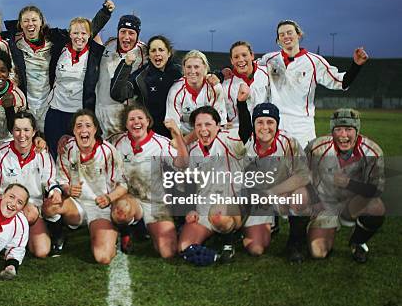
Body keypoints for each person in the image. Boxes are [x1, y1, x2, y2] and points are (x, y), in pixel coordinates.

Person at [4, 0, 114, 131]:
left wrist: (105, 12)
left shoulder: (55, 41)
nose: (30, 24)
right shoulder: (13, 45)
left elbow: (82, 34)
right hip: (26, 104)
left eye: (34, 20)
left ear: (41, 22)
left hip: (49, 104)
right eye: (26, 21)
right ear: (20, 24)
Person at [257, 20, 368, 147]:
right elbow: (249, 70)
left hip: (302, 127)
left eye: (289, 32)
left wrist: (356, 66)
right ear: (278, 40)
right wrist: (230, 74)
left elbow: (341, 82)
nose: (286, 36)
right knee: (275, 165)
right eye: (281, 34)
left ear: (299, 35)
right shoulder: (269, 59)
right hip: (273, 124)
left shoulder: (314, 62)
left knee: (303, 165)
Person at [42, 110, 127, 262]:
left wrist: (109, 198)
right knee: (49, 207)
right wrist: (68, 189)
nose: (83, 130)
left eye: (88, 125)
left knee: (103, 257)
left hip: (100, 208)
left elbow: (123, 185)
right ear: (74, 130)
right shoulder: (67, 148)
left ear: (95, 129)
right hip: (77, 206)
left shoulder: (108, 151)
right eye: (79, 126)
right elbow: (61, 180)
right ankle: (58, 235)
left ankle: (111, 231)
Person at [108, 104, 188, 258]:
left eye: (140, 118)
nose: (136, 122)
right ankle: (126, 231)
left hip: (155, 202)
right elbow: (95, 147)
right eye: (131, 119)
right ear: (125, 124)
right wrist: (66, 140)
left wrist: (177, 135)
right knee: (121, 212)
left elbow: (183, 164)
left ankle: (145, 228)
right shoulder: (116, 142)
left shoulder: (161, 143)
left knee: (168, 252)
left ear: (148, 121)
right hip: (130, 199)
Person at [306, 109, 385, 263]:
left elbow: (376, 189)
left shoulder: (372, 152)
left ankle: (358, 241)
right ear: (332, 131)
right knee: (318, 252)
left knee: (376, 207)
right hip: (325, 205)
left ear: (357, 131)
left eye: (349, 129)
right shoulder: (317, 147)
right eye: (338, 129)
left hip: (352, 204)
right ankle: (318, 228)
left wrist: (349, 183)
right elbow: (301, 174)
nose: (343, 135)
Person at [0, 111, 57, 258]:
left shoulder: (42, 154)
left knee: (42, 251)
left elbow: (50, 181)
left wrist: (54, 193)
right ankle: (6, 238)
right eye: (17, 130)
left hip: (31, 212)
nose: (21, 135)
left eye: (26, 130)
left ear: (34, 132)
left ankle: (34, 234)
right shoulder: (0, 154)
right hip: (3, 208)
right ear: (12, 131)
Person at [239, 101, 312, 261]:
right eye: (260, 122)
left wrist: (271, 192)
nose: (265, 127)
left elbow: (303, 175)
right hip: (258, 200)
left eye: (270, 122)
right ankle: (263, 225)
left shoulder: (288, 142)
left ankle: (296, 242)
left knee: (302, 195)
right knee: (255, 248)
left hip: (281, 194)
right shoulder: (245, 144)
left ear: (277, 124)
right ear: (253, 124)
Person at [177, 106, 245, 262]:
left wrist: (242, 104)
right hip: (204, 207)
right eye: (198, 125)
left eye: (208, 124)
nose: (203, 129)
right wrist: (190, 208)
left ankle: (228, 240)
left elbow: (245, 133)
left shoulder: (229, 140)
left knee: (218, 216)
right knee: (184, 247)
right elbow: (190, 182)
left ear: (218, 125)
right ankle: (216, 254)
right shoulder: (192, 150)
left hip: (231, 206)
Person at [43, 17, 106, 157]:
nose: (79, 37)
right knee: (55, 156)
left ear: (90, 35)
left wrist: (105, 12)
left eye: (83, 33)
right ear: (69, 34)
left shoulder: (94, 54)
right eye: (76, 33)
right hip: (56, 112)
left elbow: (97, 25)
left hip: (79, 115)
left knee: (79, 158)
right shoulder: (60, 49)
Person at [110, 35, 183, 138]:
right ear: (148, 54)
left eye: (161, 50)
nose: (157, 53)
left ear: (169, 53)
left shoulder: (180, 73)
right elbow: (117, 94)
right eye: (153, 50)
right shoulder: (140, 76)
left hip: (177, 135)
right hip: (150, 137)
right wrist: (126, 65)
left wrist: (211, 78)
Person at [95, 14, 148, 138]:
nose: (126, 37)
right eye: (123, 32)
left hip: (122, 117)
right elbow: (95, 40)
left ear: (138, 35)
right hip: (100, 113)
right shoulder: (110, 44)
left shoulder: (144, 52)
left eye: (131, 33)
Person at [166, 50, 227, 137]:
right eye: (189, 67)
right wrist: (182, 145)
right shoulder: (175, 91)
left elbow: (219, 124)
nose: (192, 71)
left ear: (205, 68)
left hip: (210, 136)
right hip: (184, 137)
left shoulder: (214, 87)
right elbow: (173, 127)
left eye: (196, 67)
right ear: (183, 68)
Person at [221, 41, 269, 130]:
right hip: (238, 133)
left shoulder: (267, 73)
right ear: (231, 61)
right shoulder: (225, 85)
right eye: (236, 57)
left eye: (244, 55)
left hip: (266, 130)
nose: (240, 60)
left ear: (252, 56)